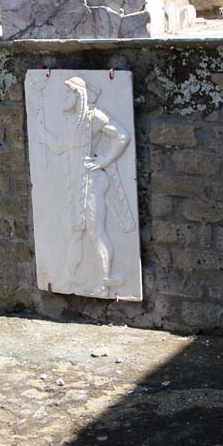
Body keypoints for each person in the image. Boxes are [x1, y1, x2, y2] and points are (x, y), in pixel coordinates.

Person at [42, 76, 135, 296]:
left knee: (96, 232)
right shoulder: (70, 122)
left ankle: (106, 281)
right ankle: (69, 278)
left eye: (68, 92)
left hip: (92, 182)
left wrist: (104, 161)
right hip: (74, 184)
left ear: (79, 95)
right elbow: (57, 147)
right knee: (74, 232)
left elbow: (122, 136)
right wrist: (38, 126)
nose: (64, 97)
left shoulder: (93, 117)